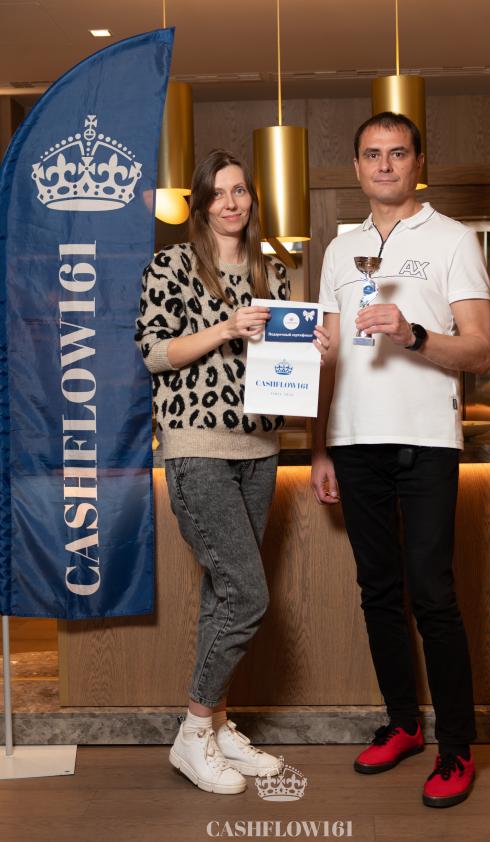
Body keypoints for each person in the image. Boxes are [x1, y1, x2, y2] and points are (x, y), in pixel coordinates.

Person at [311, 112, 490, 809]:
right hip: (353, 439)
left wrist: (414, 333)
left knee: (433, 594)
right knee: (378, 590)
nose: (383, 164)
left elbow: (479, 350)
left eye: (396, 152)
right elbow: (330, 354)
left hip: (427, 439)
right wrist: (320, 444)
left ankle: (456, 748)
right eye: (371, 154)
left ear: (419, 161)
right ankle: (402, 724)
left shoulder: (452, 239)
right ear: (357, 167)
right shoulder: (340, 249)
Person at [135, 148, 328, 795]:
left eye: (240, 190)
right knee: (248, 594)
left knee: (224, 593)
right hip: (197, 448)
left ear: (252, 198)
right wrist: (225, 328)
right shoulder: (172, 265)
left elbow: (284, 361)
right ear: (200, 202)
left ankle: (217, 728)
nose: (231, 202)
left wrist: (315, 348)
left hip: (260, 450)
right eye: (218, 192)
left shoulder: (272, 270)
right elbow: (154, 353)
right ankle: (193, 731)